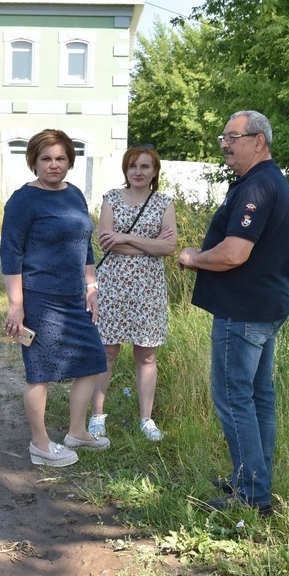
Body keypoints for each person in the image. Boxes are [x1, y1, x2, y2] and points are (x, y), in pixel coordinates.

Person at [177, 110, 289, 517]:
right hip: (263, 306)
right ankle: (254, 479)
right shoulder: (265, 181)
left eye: (232, 136)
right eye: (222, 137)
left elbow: (233, 254)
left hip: (243, 310)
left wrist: (193, 258)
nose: (225, 144)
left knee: (234, 399)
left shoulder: (258, 187)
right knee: (259, 398)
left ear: (258, 140)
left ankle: (251, 495)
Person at [0, 129, 107, 467]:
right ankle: (40, 443)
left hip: (75, 297)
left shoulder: (74, 194)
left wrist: (91, 288)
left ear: (69, 162)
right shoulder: (23, 200)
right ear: (34, 161)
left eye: (60, 158)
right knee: (40, 371)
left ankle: (77, 432)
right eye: (46, 158)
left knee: (92, 359)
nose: (53, 165)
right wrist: (16, 305)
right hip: (40, 298)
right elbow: (10, 253)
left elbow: (85, 245)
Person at [89, 144, 177, 442]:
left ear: (155, 171)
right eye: (133, 166)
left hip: (148, 287)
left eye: (145, 167)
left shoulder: (164, 202)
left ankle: (146, 419)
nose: (138, 172)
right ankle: (97, 416)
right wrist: (147, 243)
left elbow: (168, 247)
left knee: (147, 354)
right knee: (107, 351)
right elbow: (105, 242)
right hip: (113, 284)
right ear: (126, 169)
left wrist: (125, 236)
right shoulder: (111, 198)